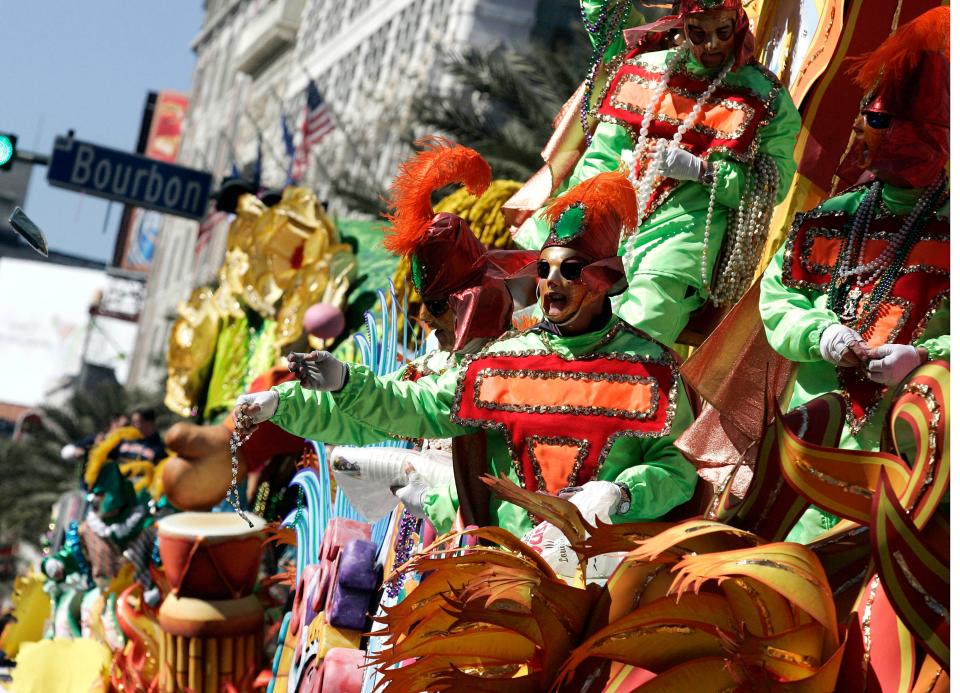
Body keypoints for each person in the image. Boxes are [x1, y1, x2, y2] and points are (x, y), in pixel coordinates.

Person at [249, 172, 697, 538]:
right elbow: (417, 405)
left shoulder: (651, 367)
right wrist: (340, 382)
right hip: (503, 577)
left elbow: (677, 467)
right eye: (545, 269)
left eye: (571, 270)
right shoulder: (504, 360)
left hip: (606, 572)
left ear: (602, 280)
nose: (553, 281)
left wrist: (621, 494)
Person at [236, 141, 519, 523]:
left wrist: (443, 501)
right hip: (424, 538)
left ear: (473, 302)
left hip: (485, 538)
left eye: (436, 307)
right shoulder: (432, 364)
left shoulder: (510, 363)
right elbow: (364, 419)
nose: (427, 320)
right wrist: (280, 403)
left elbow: (416, 406)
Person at [759, 7, 949, 543]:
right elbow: (778, 297)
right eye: (871, 117)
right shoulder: (831, 216)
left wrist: (929, 360)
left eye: (887, 122)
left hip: (914, 454)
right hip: (814, 443)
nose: (870, 131)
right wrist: (821, 334)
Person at [513, 0, 800, 345]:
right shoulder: (644, 71)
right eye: (699, 32)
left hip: (680, 243)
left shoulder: (765, 96)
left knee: (638, 333)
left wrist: (703, 171)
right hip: (607, 225)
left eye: (722, 32)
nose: (711, 45)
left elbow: (774, 185)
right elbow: (601, 159)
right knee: (530, 312)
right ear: (682, 24)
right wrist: (576, 225)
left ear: (738, 22)